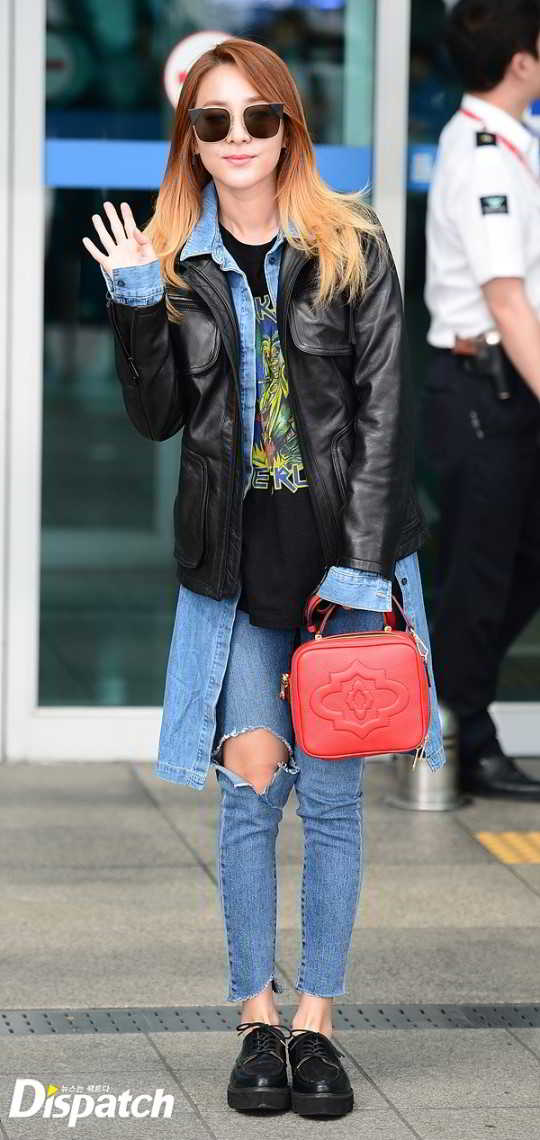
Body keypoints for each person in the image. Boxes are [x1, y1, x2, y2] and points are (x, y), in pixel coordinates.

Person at [83, 37, 446, 1119]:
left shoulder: (352, 246)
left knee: (330, 802)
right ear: (191, 140)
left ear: (290, 127)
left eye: (259, 117)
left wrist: (364, 573)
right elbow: (157, 418)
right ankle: (256, 1020)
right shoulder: (172, 261)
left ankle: (317, 1026)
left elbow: (387, 421)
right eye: (215, 121)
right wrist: (134, 301)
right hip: (235, 571)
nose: (238, 137)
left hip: (345, 565)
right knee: (249, 795)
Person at [423, 0, 540, 799]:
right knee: (481, 573)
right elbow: (507, 301)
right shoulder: (487, 156)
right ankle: (463, 735)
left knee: (512, 564)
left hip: (503, 385)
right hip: (483, 386)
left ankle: (451, 707)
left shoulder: (507, 142)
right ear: (521, 60)